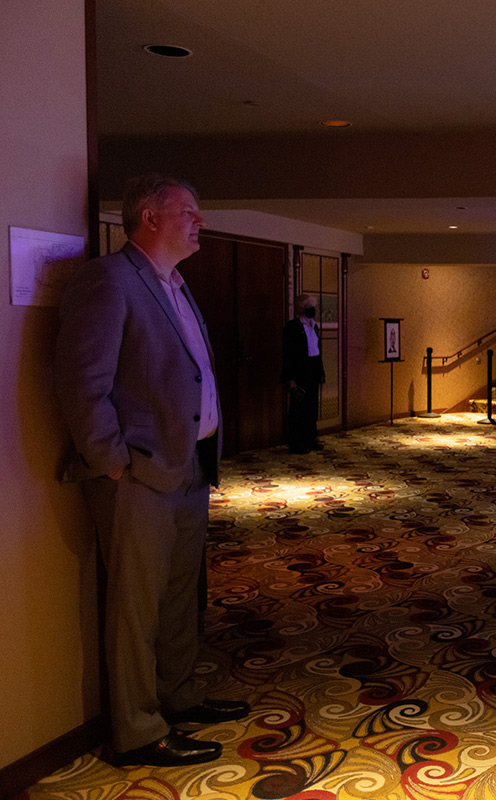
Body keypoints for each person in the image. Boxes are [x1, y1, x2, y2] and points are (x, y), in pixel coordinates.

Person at [54, 175, 249, 767]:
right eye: (188, 210)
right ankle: (138, 730)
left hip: (187, 465)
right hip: (138, 474)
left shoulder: (176, 284)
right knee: (135, 607)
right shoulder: (108, 280)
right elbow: (81, 383)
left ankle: (177, 696)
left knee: (180, 595)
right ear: (150, 217)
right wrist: (113, 462)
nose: (200, 220)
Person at [281, 293, 326, 454]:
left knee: (312, 407)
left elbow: (318, 351)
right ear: (302, 309)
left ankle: (310, 438)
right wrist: (290, 378)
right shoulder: (292, 327)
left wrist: (321, 372)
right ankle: (296, 442)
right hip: (299, 371)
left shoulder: (314, 326)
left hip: (313, 370)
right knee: (298, 408)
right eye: (309, 307)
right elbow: (288, 353)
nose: (312, 309)